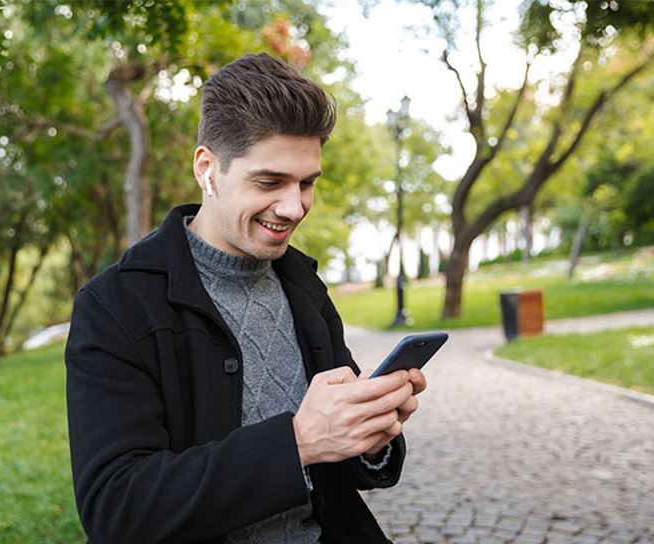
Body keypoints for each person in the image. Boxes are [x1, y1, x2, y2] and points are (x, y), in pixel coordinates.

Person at [65, 52, 427, 544]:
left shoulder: (304, 284)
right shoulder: (115, 306)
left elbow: (343, 471)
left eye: (307, 183)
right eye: (270, 181)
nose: (294, 206)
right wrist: (297, 442)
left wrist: (370, 436)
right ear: (207, 169)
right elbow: (117, 509)